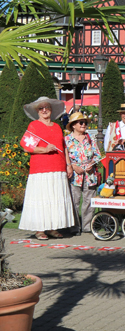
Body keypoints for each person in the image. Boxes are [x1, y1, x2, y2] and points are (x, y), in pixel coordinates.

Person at [18, 96, 76, 240]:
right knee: (42, 198)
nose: (44, 110)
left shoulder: (57, 127)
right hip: (41, 168)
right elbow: (26, 147)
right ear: (37, 111)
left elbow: (64, 148)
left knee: (55, 197)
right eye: (41, 108)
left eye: (47, 108)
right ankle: (39, 229)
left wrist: (68, 165)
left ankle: (52, 227)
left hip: (58, 167)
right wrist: (45, 150)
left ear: (51, 110)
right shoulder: (34, 126)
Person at [65, 112, 103, 234]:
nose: (84, 125)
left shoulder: (90, 138)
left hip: (90, 174)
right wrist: (73, 166)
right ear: (73, 125)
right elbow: (63, 157)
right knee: (74, 201)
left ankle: (87, 227)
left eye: (85, 123)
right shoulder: (66, 139)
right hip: (74, 174)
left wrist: (91, 164)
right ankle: (74, 227)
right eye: (81, 122)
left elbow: (98, 155)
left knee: (89, 201)